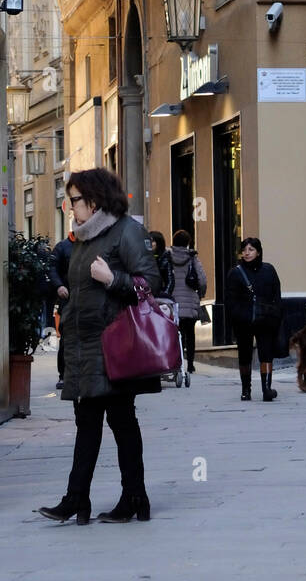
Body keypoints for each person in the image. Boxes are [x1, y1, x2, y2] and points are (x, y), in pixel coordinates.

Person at [38, 168, 161, 525]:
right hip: (84, 348)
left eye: (74, 200)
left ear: (94, 200)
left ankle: (133, 497)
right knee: (87, 423)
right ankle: (78, 499)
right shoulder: (83, 239)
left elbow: (150, 282)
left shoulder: (126, 232)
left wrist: (113, 279)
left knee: (122, 422)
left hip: (114, 346)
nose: (69, 207)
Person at [225, 238, 282, 401]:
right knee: (244, 354)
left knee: (266, 353)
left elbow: (276, 294)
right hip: (243, 321)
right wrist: (237, 316)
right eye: (244, 250)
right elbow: (230, 299)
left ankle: (266, 388)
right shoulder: (235, 273)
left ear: (258, 251)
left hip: (265, 319)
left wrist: (276, 315)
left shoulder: (268, 270)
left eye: (251, 249)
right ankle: (246, 389)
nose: (247, 253)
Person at [171, 230, 208, 380]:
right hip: (190, 301)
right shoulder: (192, 258)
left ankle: (177, 362)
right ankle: (191, 364)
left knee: (175, 335)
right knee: (190, 334)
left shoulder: (169, 256)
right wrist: (201, 294)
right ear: (188, 242)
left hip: (174, 303)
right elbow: (202, 279)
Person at [48, 230, 75, 388]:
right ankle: (63, 375)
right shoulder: (62, 247)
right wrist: (59, 286)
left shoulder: (92, 245)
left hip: (88, 299)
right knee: (66, 338)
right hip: (68, 299)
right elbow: (52, 269)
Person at [150, 230, 175, 299]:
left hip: (159, 297)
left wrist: (164, 297)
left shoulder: (165, 258)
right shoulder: (145, 257)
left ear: (158, 243)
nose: (149, 243)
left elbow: (170, 281)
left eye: (152, 241)